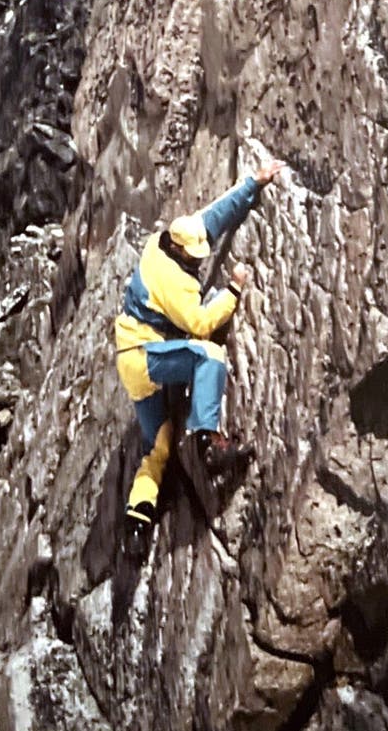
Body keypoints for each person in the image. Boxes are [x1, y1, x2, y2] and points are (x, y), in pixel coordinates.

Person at [115, 159, 286, 559]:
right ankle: (208, 443)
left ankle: (137, 520)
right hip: (145, 358)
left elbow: (210, 219)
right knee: (208, 356)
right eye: (193, 258)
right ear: (178, 250)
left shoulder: (163, 243)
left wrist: (252, 185)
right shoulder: (172, 281)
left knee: (156, 450)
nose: (197, 261)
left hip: (130, 360)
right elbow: (202, 323)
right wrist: (233, 289)